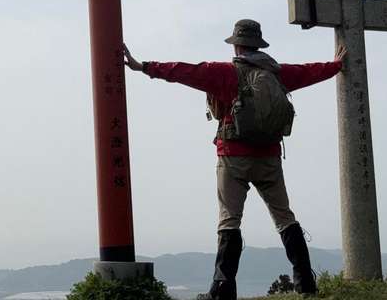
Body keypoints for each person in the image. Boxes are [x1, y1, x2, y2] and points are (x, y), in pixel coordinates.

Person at [123, 19, 346, 299]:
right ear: (258, 45)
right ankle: (306, 284)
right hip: (269, 157)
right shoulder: (278, 73)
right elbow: (309, 71)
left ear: (237, 46)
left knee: (229, 221)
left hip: (233, 157)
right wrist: (336, 65)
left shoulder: (224, 73)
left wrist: (143, 66)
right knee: (284, 217)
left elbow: (183, 71)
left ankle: (222, 289)